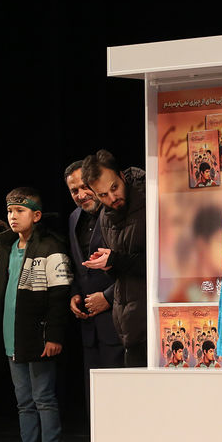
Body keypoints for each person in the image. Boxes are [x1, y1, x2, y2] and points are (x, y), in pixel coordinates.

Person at [0, 187, 73, 442]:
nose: (13, 216)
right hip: (13, 336)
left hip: (38, 336)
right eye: (10, 211)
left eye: (20, 211)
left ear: (36, 215)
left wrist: (54, 335)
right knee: (24, 401)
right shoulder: (5, 246)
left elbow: (59, 295)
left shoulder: (50, 246)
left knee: (44, 398)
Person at [64, 161, 124, 407]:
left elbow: (136, 267)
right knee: (96, 402)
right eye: (74, 191)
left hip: (120, 320)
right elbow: (78, 266)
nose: (81, 195)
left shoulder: (119, 212)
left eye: (84, 187)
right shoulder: (73, 218)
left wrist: (107, 298)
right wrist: (75, 294)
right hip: (89, 326)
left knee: (119, 399)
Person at [81, 150, 147, 367]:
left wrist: (115, 260)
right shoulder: (104, 216)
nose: (112, 198)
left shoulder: (150, 198)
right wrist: (107, 265)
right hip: (129, 323)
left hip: (156, 317)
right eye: (102, 195)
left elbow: (163, 263)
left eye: (114, 188)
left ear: (122, 176)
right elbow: (122, 274)